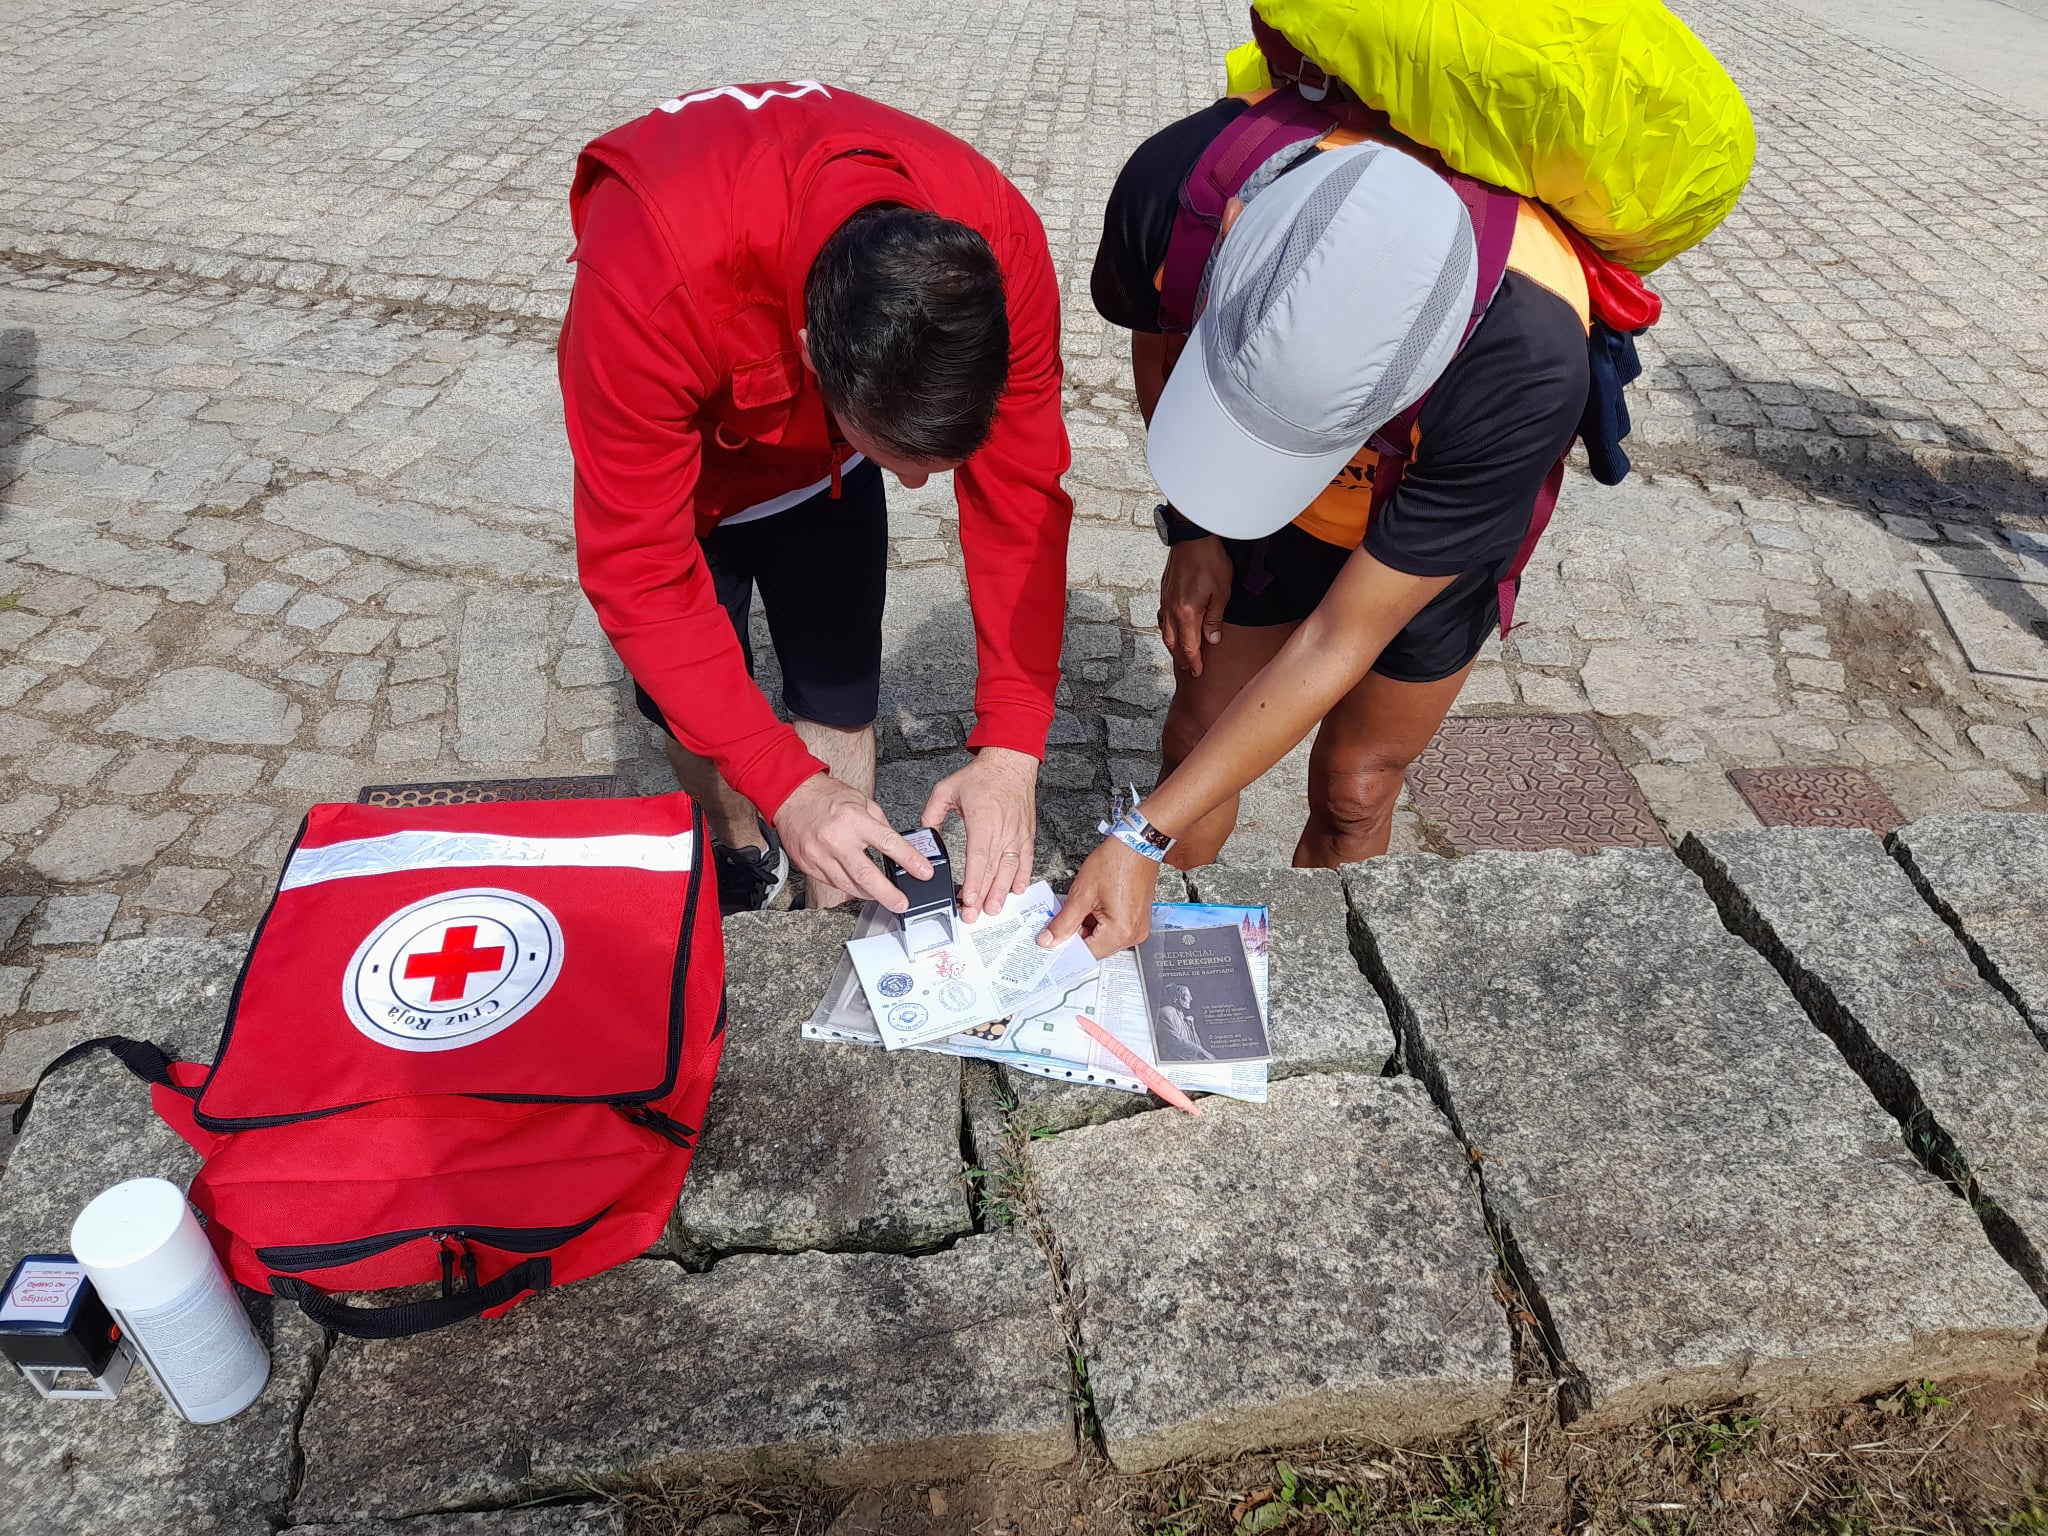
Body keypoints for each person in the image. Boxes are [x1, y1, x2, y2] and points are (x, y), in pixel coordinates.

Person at [1045, 111, 1590, 957]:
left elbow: (1341, 636)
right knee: (1196, 737)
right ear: (1235, 232)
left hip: (1424, 539)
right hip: (1282, 528)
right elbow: (1157, 340)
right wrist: (1197, 527)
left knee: (1357, 791)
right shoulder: (1181, 189)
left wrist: (1137, 836)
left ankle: (1314, 975)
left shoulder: (1527, 365)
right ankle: (1144, 964)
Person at [559, 81, 1072, 917]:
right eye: (900, 459)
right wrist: (780, 782)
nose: (914, 488)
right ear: (809, 353)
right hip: (690, 477)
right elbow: (639, 571)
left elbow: (1023, 497)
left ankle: (835, 908)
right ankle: (743, 853)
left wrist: (1013, 742)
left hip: (820, 471)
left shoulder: (998, 243)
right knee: (689, 698)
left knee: (837, 687)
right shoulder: (645, 272)